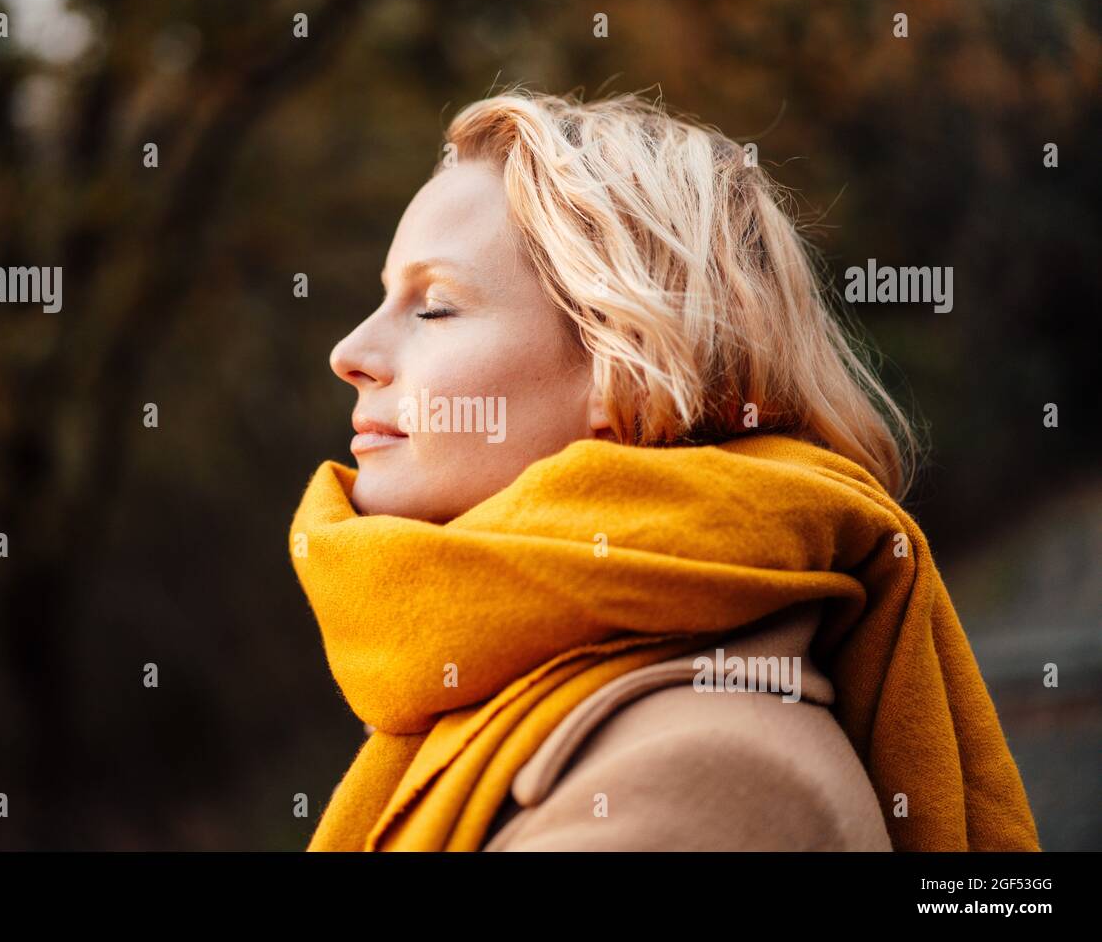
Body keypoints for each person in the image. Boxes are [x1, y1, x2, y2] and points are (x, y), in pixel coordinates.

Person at [288, 88, 1039, 851]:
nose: (349, 354)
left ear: (627, 368)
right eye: (384, 297)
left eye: (435, 305)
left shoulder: (698, 783)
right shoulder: (494, 694)